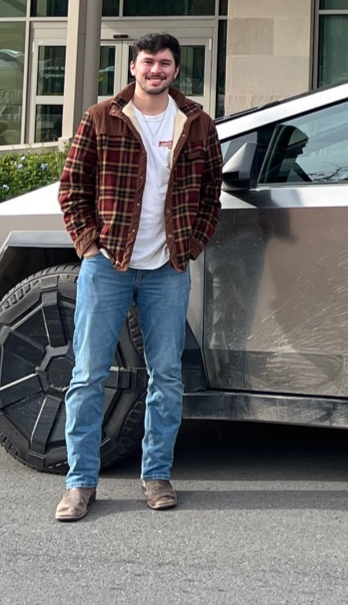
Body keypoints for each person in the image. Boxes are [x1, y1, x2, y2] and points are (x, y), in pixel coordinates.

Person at [54, 33, 224, 522]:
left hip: (167, 268)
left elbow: (211, 190)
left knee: (166, 375)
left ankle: (156, 475)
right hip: (108, 265)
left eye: (165, 63)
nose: (156, 70)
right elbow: (73, 186)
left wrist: (193, 244)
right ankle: (80, 484)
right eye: (148, 62)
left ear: (175, 70)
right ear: (133, 67)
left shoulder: (195, 123)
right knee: (87, 374)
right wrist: (90, 244)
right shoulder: (102, 116)